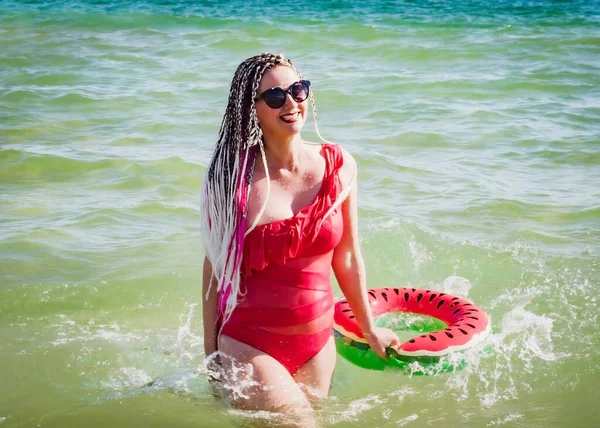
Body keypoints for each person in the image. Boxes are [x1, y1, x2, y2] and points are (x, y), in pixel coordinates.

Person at [200, 53, 400, 425]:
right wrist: (211, 356)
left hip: (317, 345)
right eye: (276, 97)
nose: (292, 103)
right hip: (249, 344)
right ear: (252, 109)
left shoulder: (340, 165)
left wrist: (368, 329)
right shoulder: (231, 178)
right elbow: (214, 271)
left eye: (298, 90)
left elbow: (349, 257)